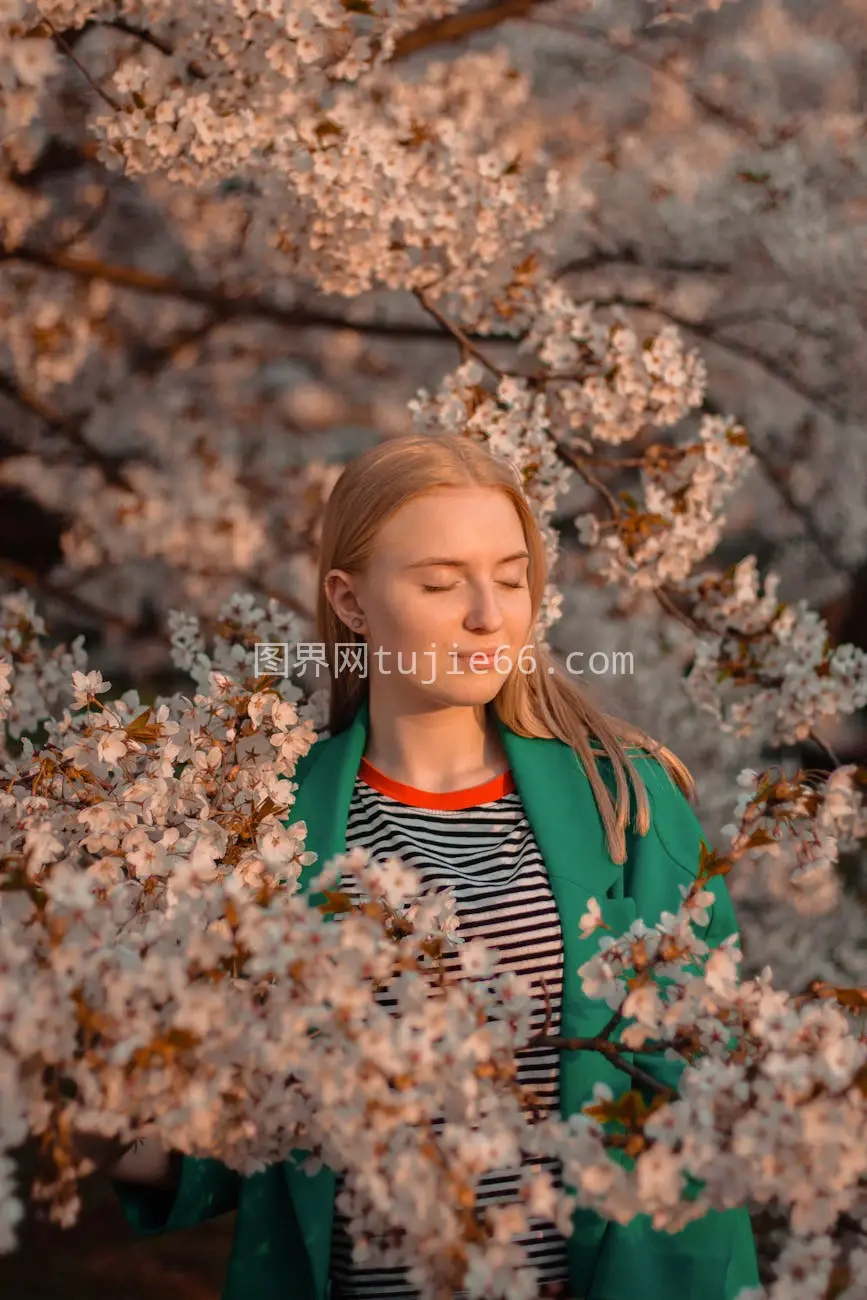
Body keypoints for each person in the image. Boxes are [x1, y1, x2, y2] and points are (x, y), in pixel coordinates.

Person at [99, 433, 760, 1300]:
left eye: (511, 577)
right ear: (351, 601)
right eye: (441, 583)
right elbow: (241, 1134)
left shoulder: (626, 805)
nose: (489, 614)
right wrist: (99, 1086)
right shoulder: (265, 824)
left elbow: (697, 1096)